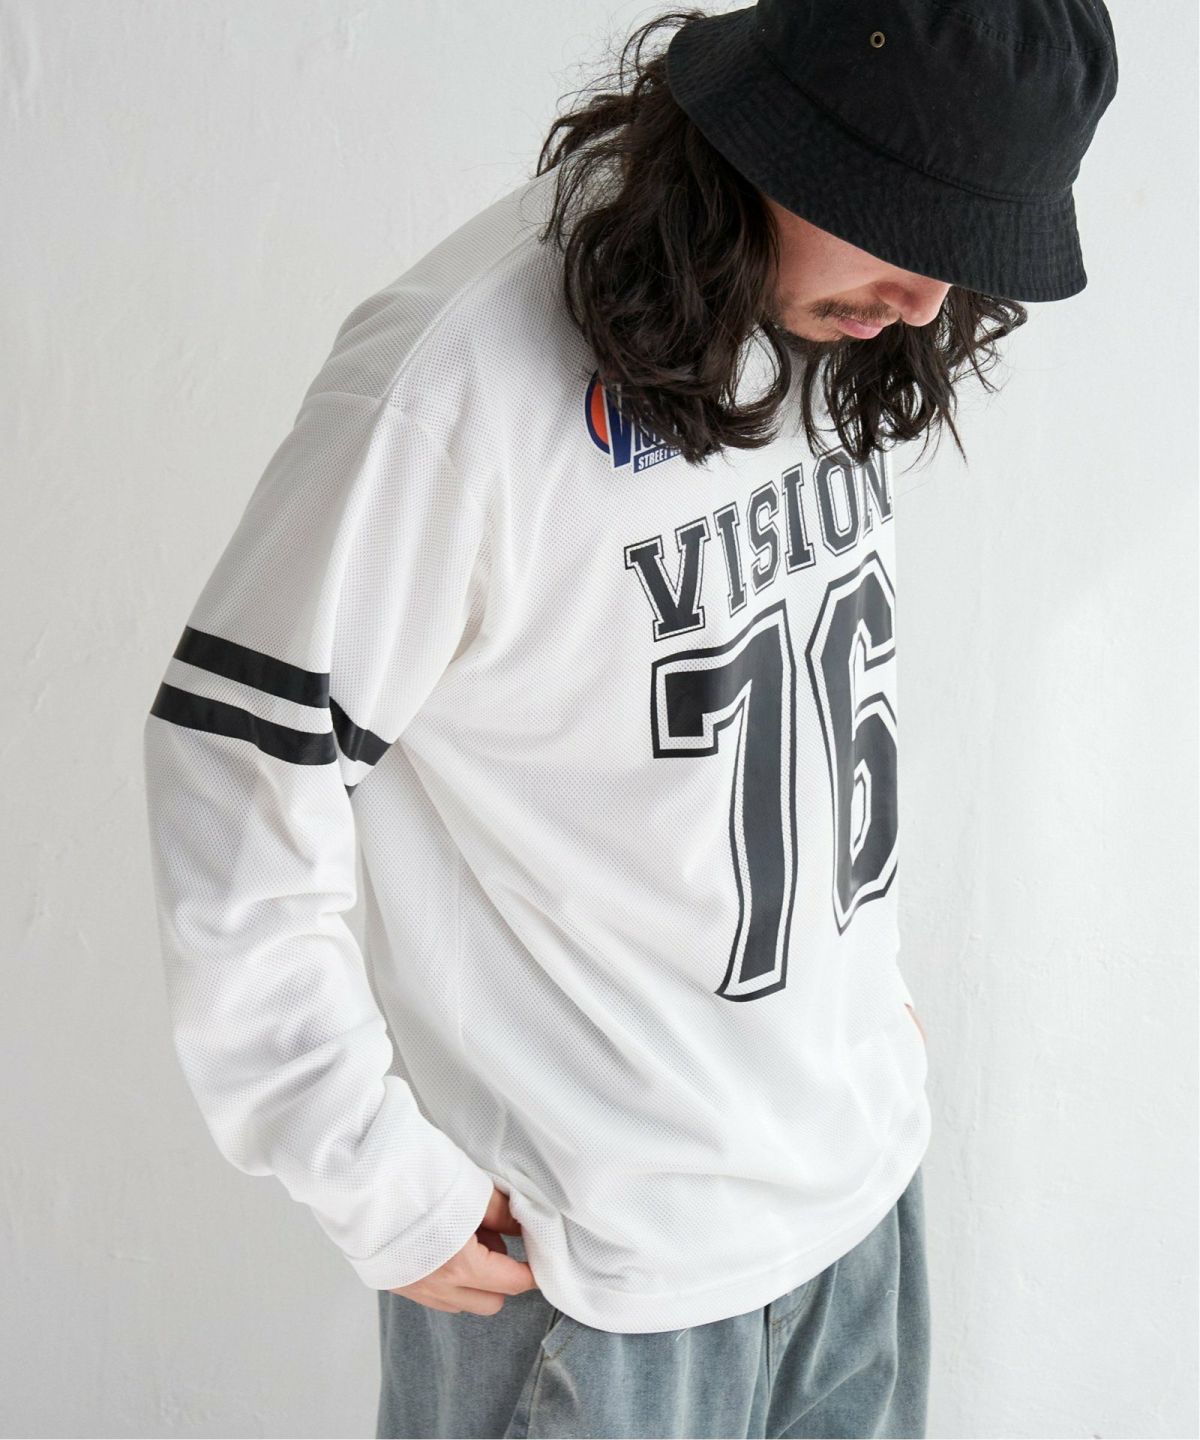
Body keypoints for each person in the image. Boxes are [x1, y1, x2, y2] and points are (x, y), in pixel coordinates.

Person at [140, 2, 1118, 1436]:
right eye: (906, 223)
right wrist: (366, 1170)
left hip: (856, 1208)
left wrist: (861, 1003)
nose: (925, 299)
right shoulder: (457, 379)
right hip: (598, 1277)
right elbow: (233, 758)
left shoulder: (826, 308)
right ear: (785, 129)